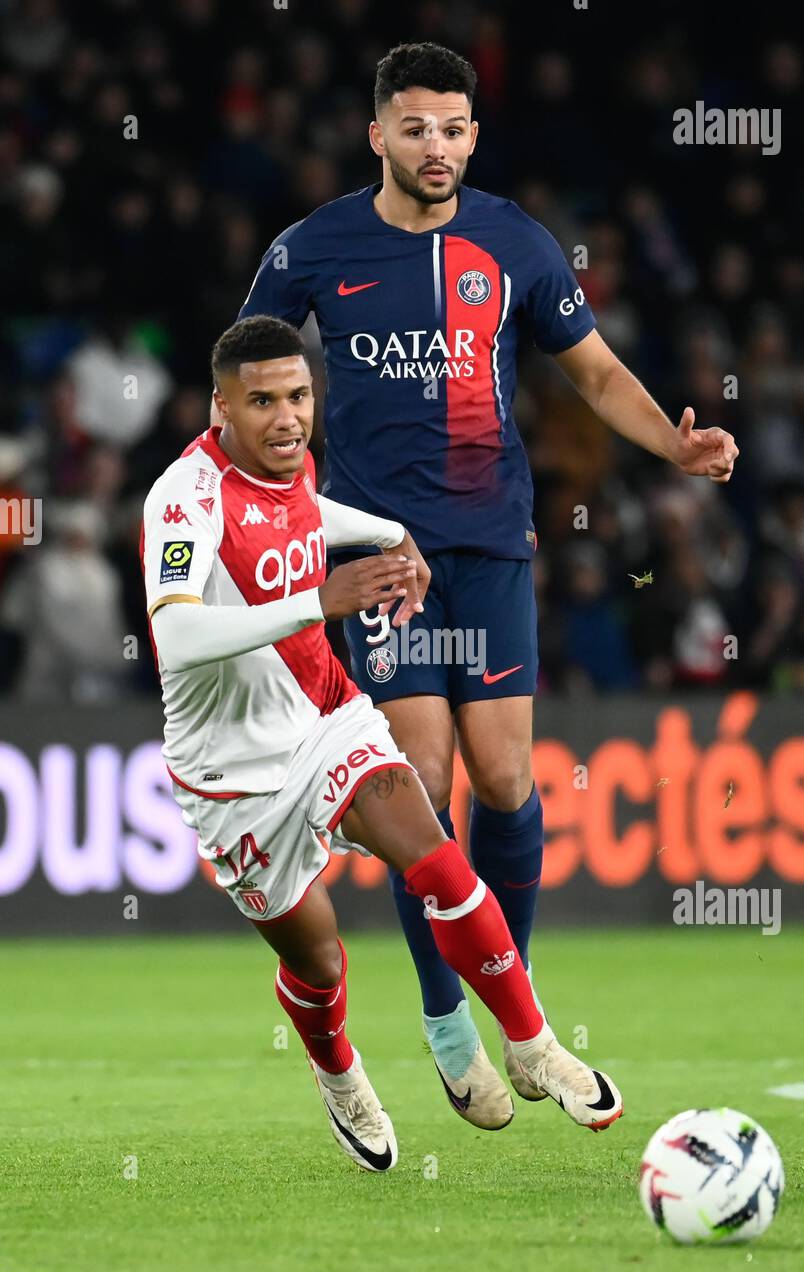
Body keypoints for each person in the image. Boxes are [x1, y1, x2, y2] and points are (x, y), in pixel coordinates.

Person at [234, 43, 737, 1131]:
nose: (437, 147)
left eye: (455, 129)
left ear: (473, 136)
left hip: (494, 546)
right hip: (377, 555)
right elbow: (243, 370)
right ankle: (449, 1023)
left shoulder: (514, 242)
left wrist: (674, 445)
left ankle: (517, 1015)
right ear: (378, 134)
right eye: (415, 128)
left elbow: (592, 369)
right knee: (420, 776)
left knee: (505, 780)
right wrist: (249, 501)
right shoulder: (312, 247)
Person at [143, 315, 623, 1171]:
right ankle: (337, 1072)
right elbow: (176, 638)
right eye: (262, 403)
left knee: (436, 856)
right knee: (319, 963)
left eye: (299, 396)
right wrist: (320, 603)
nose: (289, 418)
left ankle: (532, 1042)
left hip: (329, 719)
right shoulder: (183, 499)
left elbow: (298, 514)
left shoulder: (292, 466)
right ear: (220, 407)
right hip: (233, 776)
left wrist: (382, 531)